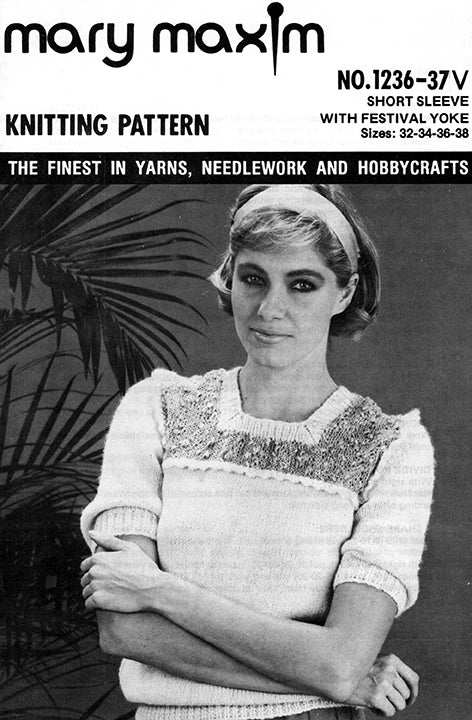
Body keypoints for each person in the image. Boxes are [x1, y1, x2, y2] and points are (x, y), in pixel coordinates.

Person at [80, 184, 435, 720]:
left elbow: (340, 662)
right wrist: (337, 680)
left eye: (302, 285)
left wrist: (161, 590)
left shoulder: (391, 448)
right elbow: (124, 629)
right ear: (229, 278)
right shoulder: (156, 408)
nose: (271, 309)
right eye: (253, 279)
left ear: (344, 293)